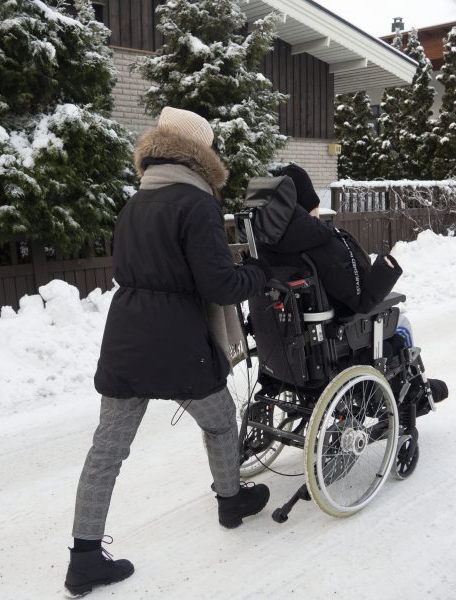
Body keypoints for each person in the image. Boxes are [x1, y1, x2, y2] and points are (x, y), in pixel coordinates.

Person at [65, 107, 272, 596]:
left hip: (126, 336)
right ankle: (230, 501)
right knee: (220, 421)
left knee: (107, 451)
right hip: (179, 340)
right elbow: (219, 285)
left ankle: (85, 558)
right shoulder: (197, 205)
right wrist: (260, 275)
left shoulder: (135, 203)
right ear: (201, 155)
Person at [257, 163, 448, 409]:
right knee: (400, 323)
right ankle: (409, 392)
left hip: (282, 350)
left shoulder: (261, 246)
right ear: (306, 201)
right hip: (330, 344)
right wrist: (384, 270)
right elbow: (361, 300)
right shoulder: (323, 241)